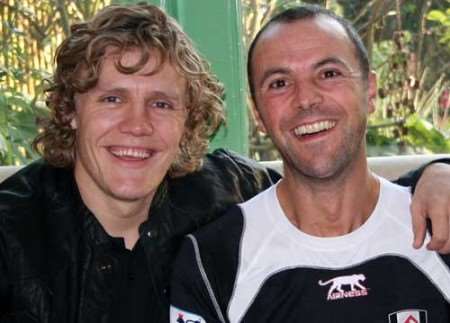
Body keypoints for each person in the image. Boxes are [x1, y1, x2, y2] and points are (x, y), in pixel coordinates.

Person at [0, 3, 447, 323]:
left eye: (161, 103)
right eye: (112, 98)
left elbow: (327, 189)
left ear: (188, 121)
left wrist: (437, 172)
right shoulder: (12, 230)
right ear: (70, 111)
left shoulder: (221, 190)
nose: (137, 126)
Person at [169, 4, 450, 323]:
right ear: (258, 113)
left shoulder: (440, 224)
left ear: (369, 91)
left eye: (329, 74)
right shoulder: (213, 259)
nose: (306, 99)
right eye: (279, 83)